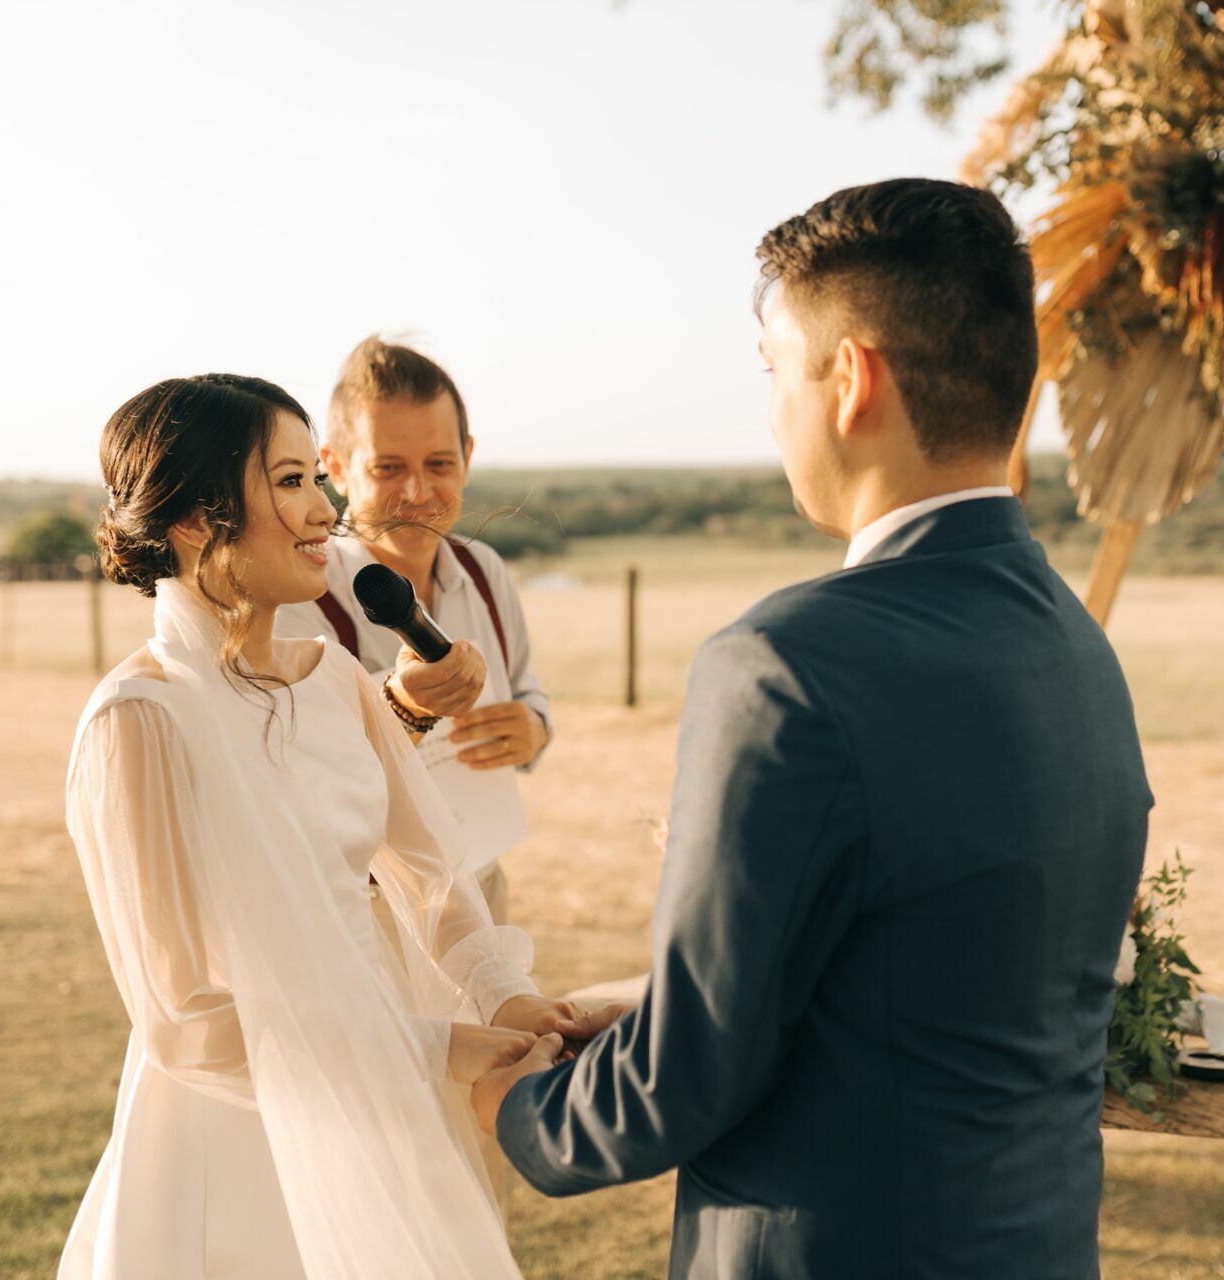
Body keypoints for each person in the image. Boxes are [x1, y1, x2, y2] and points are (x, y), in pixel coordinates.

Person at [474, 178, 1154, 1279]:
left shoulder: (787, 662)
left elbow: (682, 1077)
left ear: (852, 380)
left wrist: (514, 1102)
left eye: (773, 372)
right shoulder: (1079, 646)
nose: (772, 410)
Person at [59, 373, 606, 1279]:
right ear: (197, 518)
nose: (325, 509)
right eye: (289, 481)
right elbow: (184, 1023)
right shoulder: (138, 721)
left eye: (316, 476)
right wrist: (428, 1049)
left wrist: (504, 999)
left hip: (388, 1099)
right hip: (236, 1139)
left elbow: (433, 879)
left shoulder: (337, 680)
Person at [278, 338, 550, 927]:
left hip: (481, 885)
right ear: (339, 467)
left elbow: (527, 685)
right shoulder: (301, 593)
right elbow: (296, 764)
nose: (418, 493)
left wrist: (533, 728)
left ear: (467, 457)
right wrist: (401, 705)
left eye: (439, 464)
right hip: (367, 910)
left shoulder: (486, 571)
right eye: (389, 467)